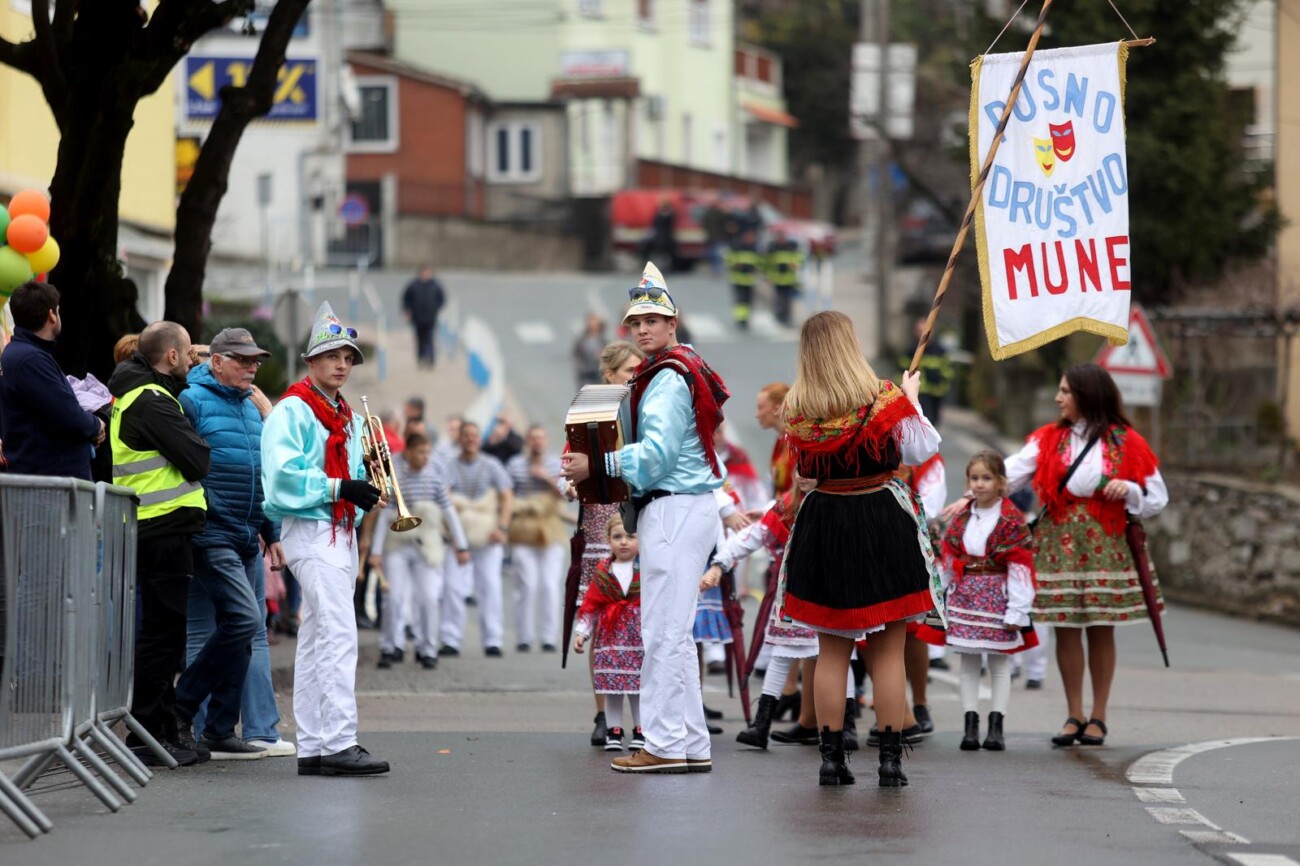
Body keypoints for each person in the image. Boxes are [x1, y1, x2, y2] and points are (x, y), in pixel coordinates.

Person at [562, 262, 729, 775]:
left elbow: (654, 456)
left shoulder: (666, 379)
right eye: (636, 322)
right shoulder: (681, 367)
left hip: (673, 505)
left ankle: (662, 743)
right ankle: (689, 743)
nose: (641, 329)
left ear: (672, 322)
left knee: (661, 633)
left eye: (651, 321)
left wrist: (599, 465)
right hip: (681, 505)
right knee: (672, 633)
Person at [779, 311, 939, 788]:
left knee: (831, 651)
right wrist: (912, 400)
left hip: (825, 521)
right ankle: (890, 762)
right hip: (880, 519)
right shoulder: (883, 397)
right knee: (887, 652)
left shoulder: (797, 410)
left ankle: (831, 761)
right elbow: (921, 450)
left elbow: (804, 471)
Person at [974, 363, 1166, 748]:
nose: (1059, 398)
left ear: (1087, 395)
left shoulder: (1127, 442)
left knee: (1099, 628)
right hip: (1058, 542)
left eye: (1065, 391)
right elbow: (1008, 474)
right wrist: (973, 493)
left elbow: (1158, 498)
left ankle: (1099, 716)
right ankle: (1074, 712)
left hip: (1104, 543)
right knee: (1064, 627)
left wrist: (1128, 490)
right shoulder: (1048, 440)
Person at [262, 302, 390, 777]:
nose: (342, 365)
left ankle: (314, 744)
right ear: (311, 360)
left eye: (348, 357)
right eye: (333, 355)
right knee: (338, 634)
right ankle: (339, 740)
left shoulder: (346, 417)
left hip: (338, 531)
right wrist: (341, 488)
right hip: (310, 529)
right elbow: (280, 478)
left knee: (318, 637)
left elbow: (351, 478)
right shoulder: (292, 409)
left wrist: (365, 487)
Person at [177, 328, 293, 760]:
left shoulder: (249, 409)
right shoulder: (191, 399)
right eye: (243, 360)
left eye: (256, 361)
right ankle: (184, 710)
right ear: (217, 362)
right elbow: (182, 467)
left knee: (240, 631)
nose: (252, 368)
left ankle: (219, 731)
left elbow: (260, 478)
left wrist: (271, 532)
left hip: (245, 537)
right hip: (210, 534)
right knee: (240, 622)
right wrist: (205, 515)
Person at [109, 321, 211, 766]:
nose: (192, 359)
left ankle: (162, 730)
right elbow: (197, 459)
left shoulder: (143, 394)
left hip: (159, 528)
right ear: (171, 356)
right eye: (188, 352)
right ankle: (147, 737)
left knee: (165, 634)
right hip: (160, 529)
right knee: (161, 637)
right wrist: (194, 444)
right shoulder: (151, 401)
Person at [927, 451, 1036, 752]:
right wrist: (940, 594)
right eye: (974, 478)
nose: (979, 484)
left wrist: (1018, 609)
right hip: (966, 596)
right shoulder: (962, 517)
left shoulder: (1011, 520)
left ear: (1001, 482)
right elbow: (949, 559)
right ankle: (970, 724)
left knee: (999, 663)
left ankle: (997, 725)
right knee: (969, 661)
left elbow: (1021, 566)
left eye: (986, 478)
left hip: (997, 596)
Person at [566, 340, 645, 748]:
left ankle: (644, 712)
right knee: (601, 616)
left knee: (640, 618)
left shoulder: (646, 407)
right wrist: (570, 481)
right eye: (630, 371)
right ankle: (604, 714)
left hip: (638, 515)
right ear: (610, 375)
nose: (636, 377)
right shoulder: (591, 412)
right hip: (601, 521)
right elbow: (569, 460)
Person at [370, 431, 470, 670]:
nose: (425, 457)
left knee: (428, 598)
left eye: (428, 452)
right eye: (420, 452)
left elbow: (449, 514)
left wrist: (461, 544)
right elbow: (385, 517)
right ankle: (390, 646)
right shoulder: (398, 479)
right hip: (398, 545)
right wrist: (376, 550)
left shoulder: (434, 480)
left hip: (426, 547)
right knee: (393, 597)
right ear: (408, 453)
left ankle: (427, 648)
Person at [0, 281, 105, 480]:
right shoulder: (30, 359)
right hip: (49, 487)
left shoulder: (22, 354)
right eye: (58, 310)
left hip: (43, 481)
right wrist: (96, 425)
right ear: (51, 315)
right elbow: (68, 415)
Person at [439, 420, 515, 658]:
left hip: (487, 537)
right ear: (460, 439)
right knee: (452, 587)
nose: (471, 439)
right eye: (466, 435)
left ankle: (493, 639)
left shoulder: (492, 465)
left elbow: (506, 497)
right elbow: (444, 498)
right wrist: (451, 533)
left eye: (475, 435)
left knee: (490, 586)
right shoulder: (449, 465)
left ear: (479, 439)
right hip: (459, 536)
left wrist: (502, 527)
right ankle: (450, 638)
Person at [572, 514, 644, 753]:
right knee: (612, 686)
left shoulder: (645, 568)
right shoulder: (604, 570)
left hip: (637, 639)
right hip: (610, 638)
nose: (624, 542)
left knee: (637, 687)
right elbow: (591, 604)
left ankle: (641, 729)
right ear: (608, 540)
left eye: (630, 537)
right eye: (617, 537)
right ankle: (614, 730)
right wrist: (582, 632)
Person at [507, 425, 566, 652]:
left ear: (546, 440)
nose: (537, 442)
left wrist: (546, 477)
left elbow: (565, 494)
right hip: (523, 528)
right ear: (527, 442)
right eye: (533, 438)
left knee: (550, 585)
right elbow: (507, 494)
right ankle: (524, 636)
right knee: (527, 584)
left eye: (540, 438)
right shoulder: (515, 465)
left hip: (549, 527)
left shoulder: (555, 464)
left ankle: (549, 636)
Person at [898, 318, 955, 428]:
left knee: (932, 424)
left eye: (927, 331)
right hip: (918, 395)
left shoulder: (940, 351)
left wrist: (942, 387)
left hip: (935, 395)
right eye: (921, 331)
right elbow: (901, 372)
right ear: (916, 332)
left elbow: (948, 372)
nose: (924, 334)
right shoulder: (910, 351)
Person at [401, 266, 446, 370]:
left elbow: (442, 298)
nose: (426, 274)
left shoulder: (435, 285)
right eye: (424, 272)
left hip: (431, 318)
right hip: (418, 318)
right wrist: (407, 310)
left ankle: (431, 360)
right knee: (420, 340)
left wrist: (437, 308)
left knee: (430, 339)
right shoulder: (413, 285)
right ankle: (420, 359)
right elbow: (406, 299)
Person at [725, 228, 763, 330]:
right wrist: (736, 265)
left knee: (748, 301)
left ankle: (746, 319)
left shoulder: (754, 248)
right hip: (738, 279)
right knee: (740, 301)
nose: (750, 239)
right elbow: (729, 260)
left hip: (750, 280)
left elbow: (760, 262)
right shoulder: (737, 247)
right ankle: (740, 320)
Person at [765, 229, 803, 327]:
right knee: (779, 298)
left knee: (788, 300)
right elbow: (768, 264)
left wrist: (792, 265)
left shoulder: (791, 247)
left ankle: (786, 316)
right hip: (778, 279)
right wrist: (769, 276)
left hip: (789, 279)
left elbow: (799, 260)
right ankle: (780, 315)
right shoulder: (773, 248)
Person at [571, 313, 607, 389]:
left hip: (598, 375)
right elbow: (576, 355)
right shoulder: (582, 340)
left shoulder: (604, 341)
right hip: (585, 375)